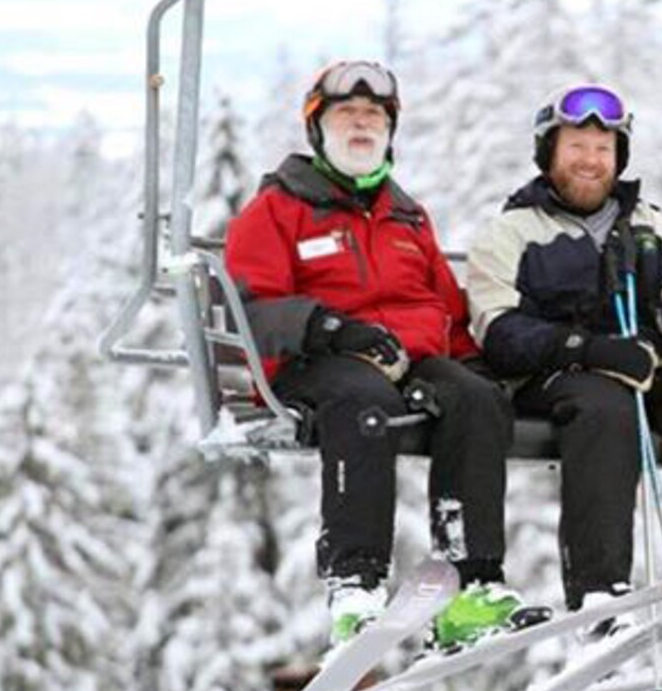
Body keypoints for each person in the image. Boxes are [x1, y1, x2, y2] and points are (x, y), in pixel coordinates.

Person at [225, 60, 548, 658]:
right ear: (318, 128)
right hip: (318, 360)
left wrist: (475, 369)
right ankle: (356, 583)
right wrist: (330, 328)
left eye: (374, 115)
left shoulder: (406, 215)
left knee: (477, 402)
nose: (361, 124)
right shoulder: (278, 209)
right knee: (363, 405)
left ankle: (470, 583)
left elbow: (446, 309)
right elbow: (249, 307)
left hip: (409, 357)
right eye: (347, 113)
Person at [466, 84, 662, 657]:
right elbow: (500, 334)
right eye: (577, 147)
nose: (591, 161)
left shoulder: (647, 225)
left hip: (650, 366)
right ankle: (599, 596)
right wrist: (586, 349)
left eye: (603, 149)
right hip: (560, 373)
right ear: (549, 153)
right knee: (605, 413)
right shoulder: (513, 232)